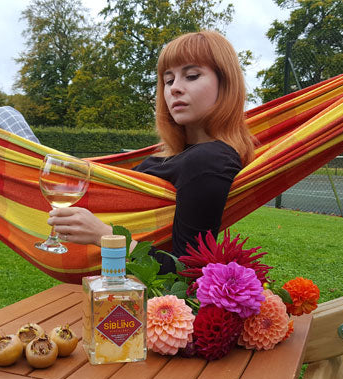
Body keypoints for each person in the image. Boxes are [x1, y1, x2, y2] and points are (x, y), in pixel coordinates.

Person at [47, 31, 255, 274]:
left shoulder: (209, 161)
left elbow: (187, 272)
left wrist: (104, 235)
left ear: (226, 83)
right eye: (168, 80)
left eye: (191, 76)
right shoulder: (178, 154)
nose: (175, 89)